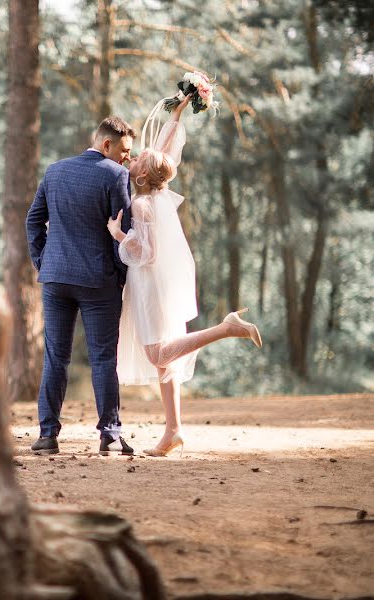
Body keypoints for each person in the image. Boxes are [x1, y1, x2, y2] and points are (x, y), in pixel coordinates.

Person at [105, 95, 262, 457]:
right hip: (166, 282)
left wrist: (117, 234)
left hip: (151, 284)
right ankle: (173, 430)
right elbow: (163, 150)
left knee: (159, 355)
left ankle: (227, 327)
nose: (133, 157)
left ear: (142, 175)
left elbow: (144, 253)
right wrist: (176, 112)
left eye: (138, 159)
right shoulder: (157, 190)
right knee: (167, 363)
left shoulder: (143, 204)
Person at [26, 117, 136, 456]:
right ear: (107, 145)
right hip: (97, 280)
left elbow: (33, 219)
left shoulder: (55, 170)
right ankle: (109, 434)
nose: (127, 159)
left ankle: (47, 435)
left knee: (55, 358)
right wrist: (119, 275)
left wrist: (43, 262)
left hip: (55, 278)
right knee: (103, 358)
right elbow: (126, 230)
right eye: (125, 151)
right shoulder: (116, 175)